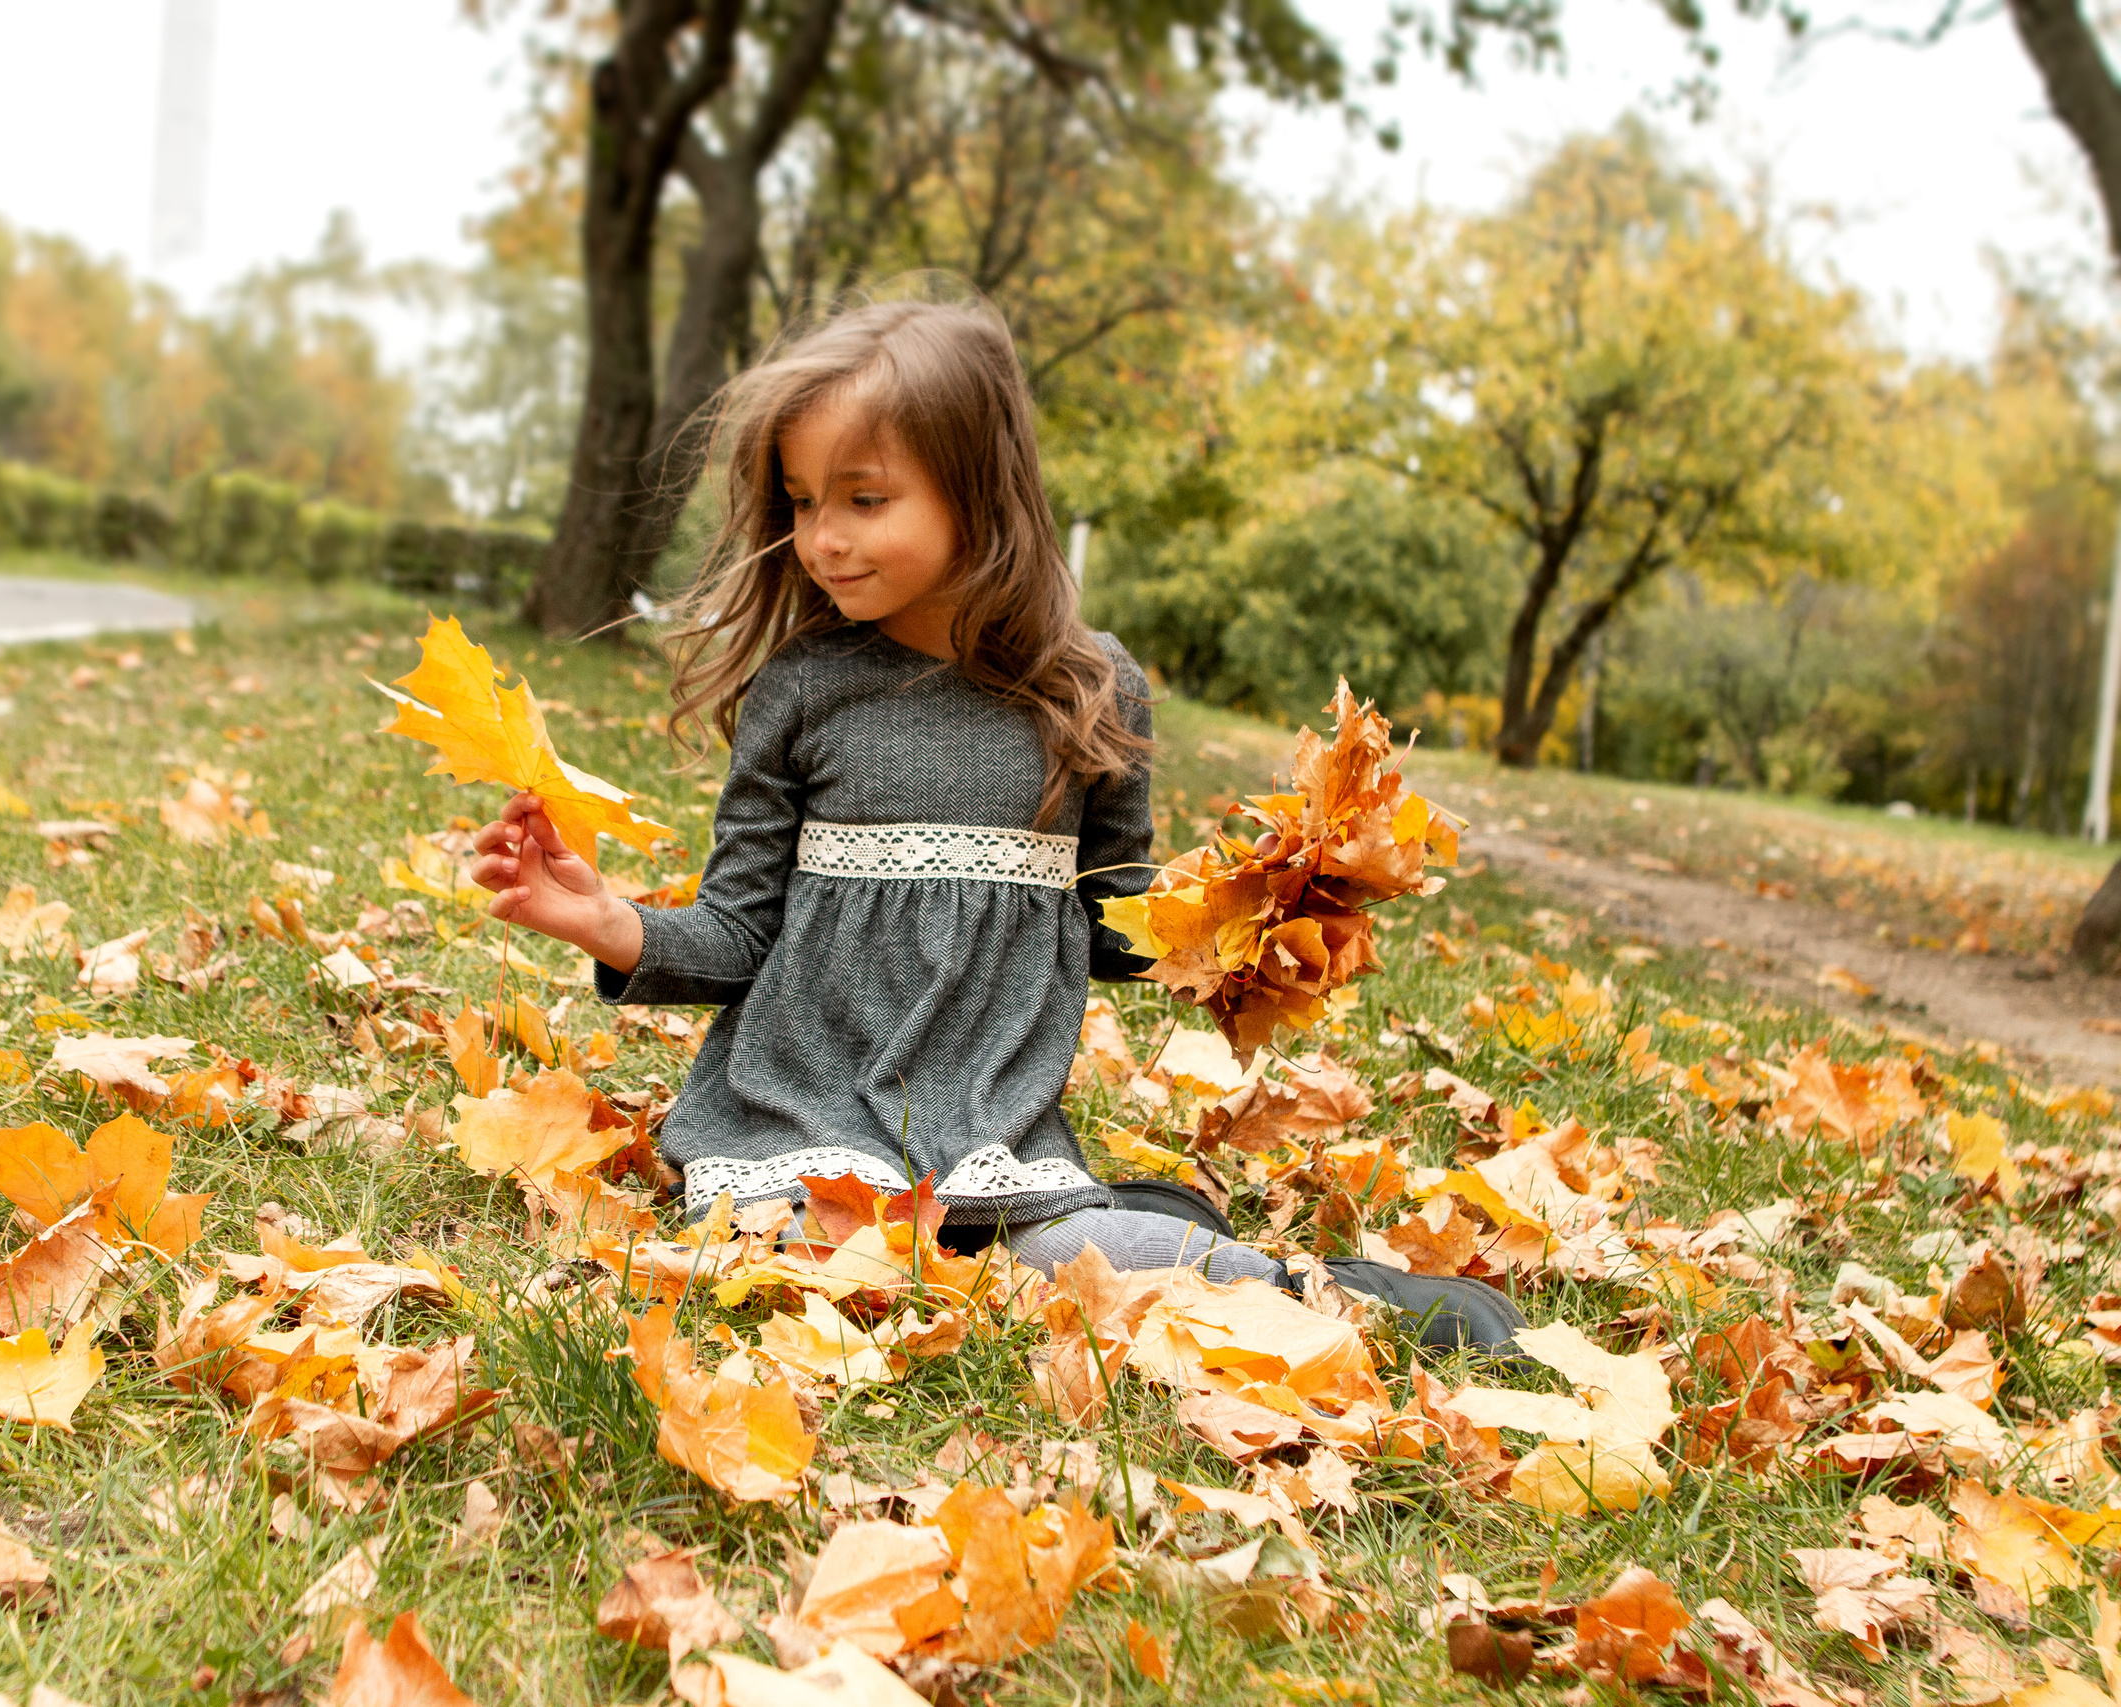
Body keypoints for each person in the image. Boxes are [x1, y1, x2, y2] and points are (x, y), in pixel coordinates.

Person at [469, 297, 1520, 1352]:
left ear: (978, 491)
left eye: (864, 499)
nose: (823, 539)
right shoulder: (802, 691)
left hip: (985, 1129)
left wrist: (1257, 921)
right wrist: (604, 920)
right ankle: (1089, 1219)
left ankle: (1301, 1289)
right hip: (796, 1122)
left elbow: (1116, 923)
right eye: (800, 501)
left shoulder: (1094, 688)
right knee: (786, 1260)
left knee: (1067, 1269)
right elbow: (744, 936)